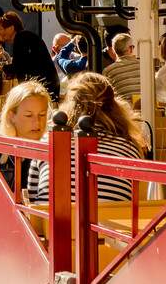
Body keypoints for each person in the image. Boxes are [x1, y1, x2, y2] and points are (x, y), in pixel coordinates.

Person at [29, 72, 147, 204]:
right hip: (110, 222)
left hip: (49, 221)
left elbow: (32, 197)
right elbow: (137, 197)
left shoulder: (48, 141)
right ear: (113, 105)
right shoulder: (129, 146)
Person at [0, 79, 53, 194]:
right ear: (11, 116)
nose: (37, 122)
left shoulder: (52, 152)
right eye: (29, 115)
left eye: (42, 115)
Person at [0, 12, 56, 90]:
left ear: (11, 28)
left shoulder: (21, 39)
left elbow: (18, 67)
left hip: (43, 87)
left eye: (0, 29)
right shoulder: (24, 37)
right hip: (45, 85)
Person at [103, 32, 142, 99]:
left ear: (113, 51)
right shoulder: (143, 66)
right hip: (145, 106)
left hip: (123, 108)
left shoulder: (108, 71)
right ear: (131, 48)